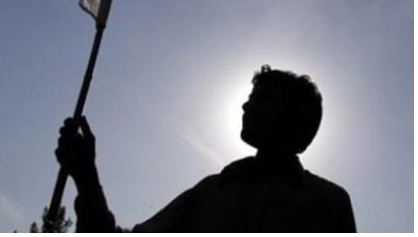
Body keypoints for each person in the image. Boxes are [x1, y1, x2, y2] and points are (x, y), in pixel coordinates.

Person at [55, 65, 357, 232]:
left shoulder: (328, 204)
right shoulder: (210, 193)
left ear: (295, 117)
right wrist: (86, 179)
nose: (246, 104)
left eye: (264, 97)